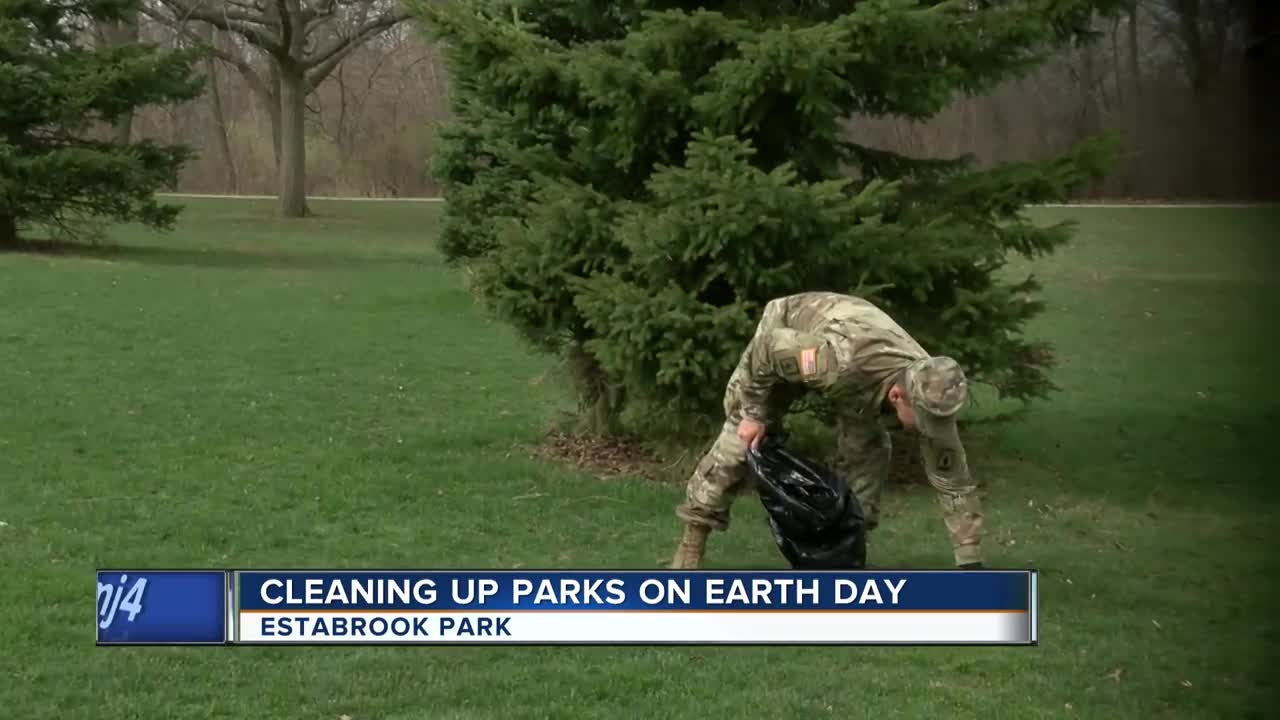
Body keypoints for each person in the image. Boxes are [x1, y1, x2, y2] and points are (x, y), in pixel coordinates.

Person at [669, 291, 985, 570]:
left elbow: (954, 482)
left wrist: (970, 562)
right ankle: (689, 550)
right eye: (925, 420)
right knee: (741, 436)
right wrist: (754, 413)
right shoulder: (835, 364)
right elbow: (766, 349)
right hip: (789, 333)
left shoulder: (932, 387)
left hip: (861, 379)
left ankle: (847, 555)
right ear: (897, 397)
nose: (932, 430)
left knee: (869, 448)